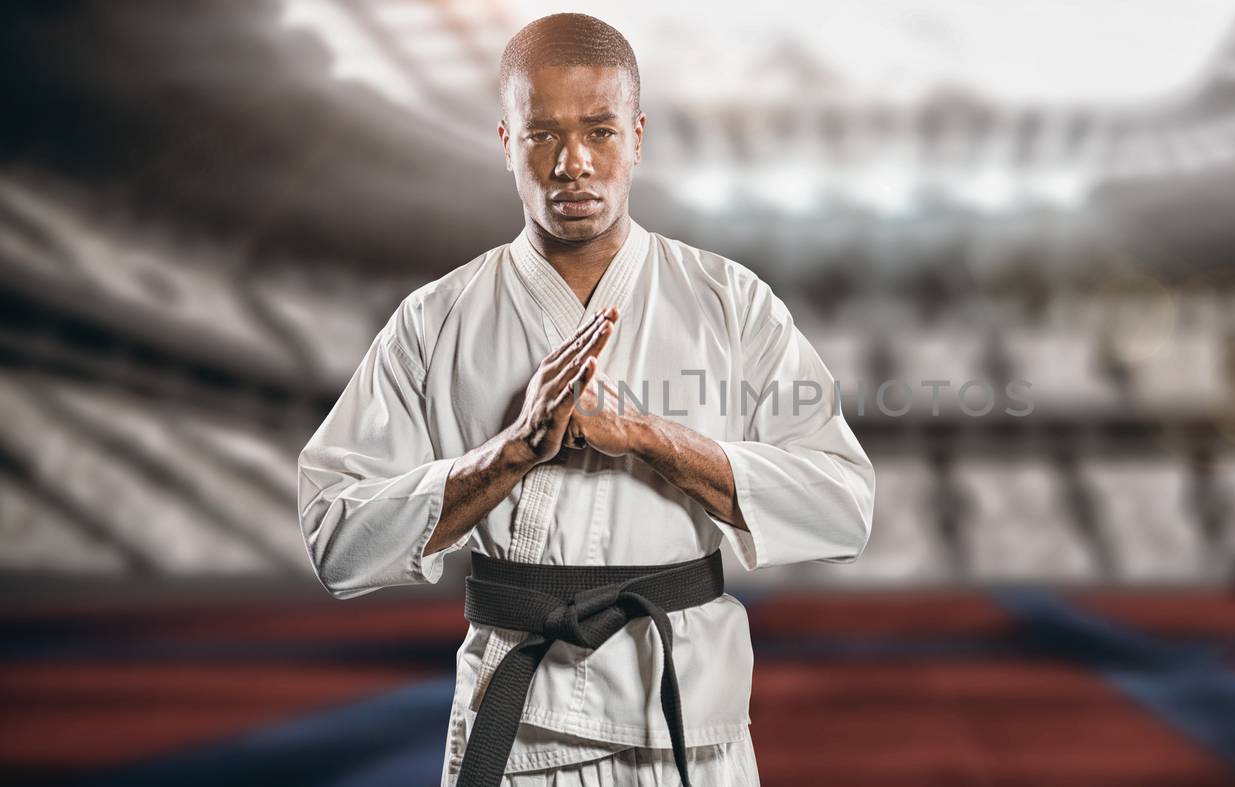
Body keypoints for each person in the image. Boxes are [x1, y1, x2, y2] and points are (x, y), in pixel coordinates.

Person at [296, 13, 875, 786]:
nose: (573, 162)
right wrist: (511, 453)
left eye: (600, 131)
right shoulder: (436, 319)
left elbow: (843, 505)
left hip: (686, 730)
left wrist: (646, 436)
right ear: (507, 143)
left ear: (638, 137)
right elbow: (336, 537)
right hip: (520, 728)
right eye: (543, 135)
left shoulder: (729, 302)